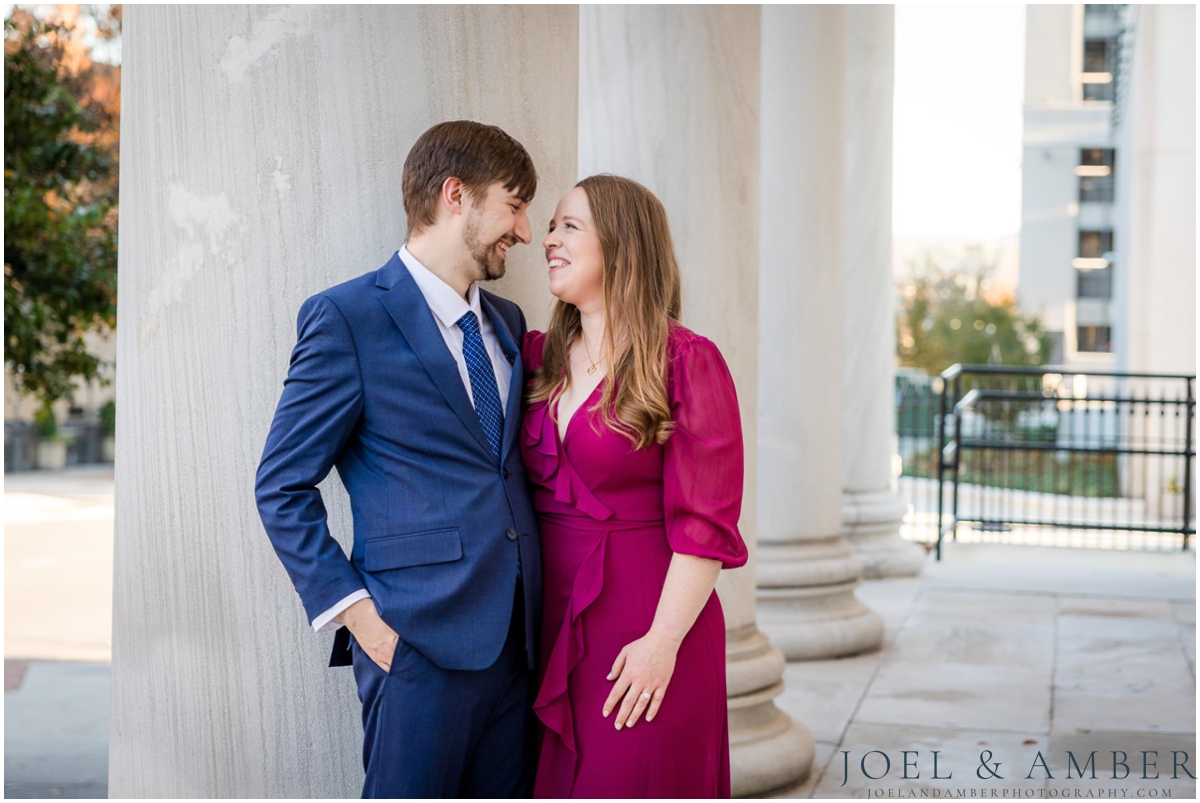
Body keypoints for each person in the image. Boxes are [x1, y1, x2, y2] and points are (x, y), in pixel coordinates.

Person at [255, 120, 543, 798]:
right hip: (416, 648)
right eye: (514, 204)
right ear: (456, 196)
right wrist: (359, 617)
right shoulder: (347, 318)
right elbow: (281, 485)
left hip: (518, 646)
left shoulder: (509, 323)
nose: (525, 231)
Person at [521, 174, 749, 798]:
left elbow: (706, 528)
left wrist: (660, 643)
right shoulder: (535, 355)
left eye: (570, 225)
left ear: (621, 245)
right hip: (550, 621)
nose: (549, 239)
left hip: (647, 627)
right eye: (550, 225)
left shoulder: (686, 360)